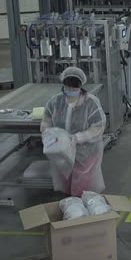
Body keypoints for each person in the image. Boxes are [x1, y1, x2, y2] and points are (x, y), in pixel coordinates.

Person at [41, 67, 106, 196]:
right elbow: (46, 119)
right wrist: (47, 133)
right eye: (68, 88)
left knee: (83, 187)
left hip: (86, 152)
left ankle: (83, 207)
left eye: (74, 89)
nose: (71, 91)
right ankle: (70, 203)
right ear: (63, 85)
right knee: (66, 183)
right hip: (62, 151)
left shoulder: (91, 103)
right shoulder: (56, 101)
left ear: (81, 87)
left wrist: (78, 138)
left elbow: (98, 127)